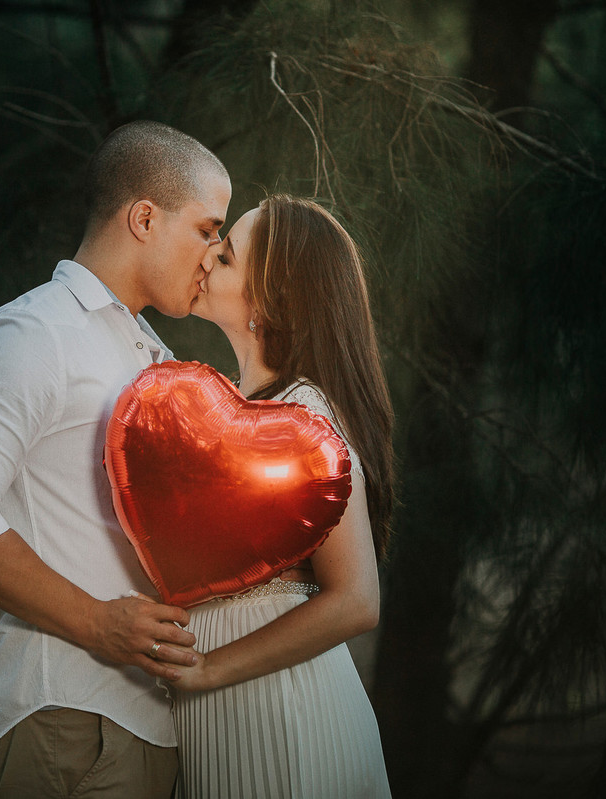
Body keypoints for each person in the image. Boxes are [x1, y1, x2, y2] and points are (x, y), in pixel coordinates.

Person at [0, 120, 231, 798]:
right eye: (207, 228)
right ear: (145, 217)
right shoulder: (36, 332)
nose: (215, 251)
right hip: (62, 715)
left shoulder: (156, 357)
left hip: (153, 723)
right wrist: (97, 622)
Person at [167, 194, 394, 798]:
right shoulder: (246, 410)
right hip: (229, 711)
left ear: (266, 300)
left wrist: (210, 668)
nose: (209, 254)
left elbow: (356, 600)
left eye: (229, 253)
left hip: (279, 717)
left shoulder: (303, 416)